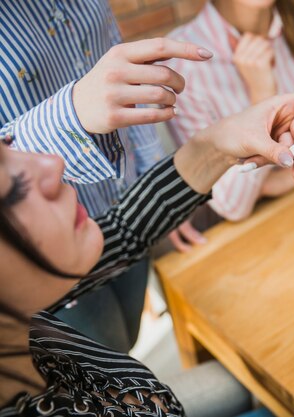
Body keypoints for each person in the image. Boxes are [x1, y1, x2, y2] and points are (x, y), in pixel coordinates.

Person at [0, 84, 294, 417]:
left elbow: (123, 229)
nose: (51, 162)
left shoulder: (20, 316)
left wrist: (216, 143)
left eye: (6, 144)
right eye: (11, 191)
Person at [0, 1, 205, 351]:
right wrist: (69, 115)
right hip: (44, 255)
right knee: (105, 361)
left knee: (128, 342)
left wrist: (157, 179)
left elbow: (125, 84)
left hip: (125, 199)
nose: (53, 165)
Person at [164, 0, 294, 251]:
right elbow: (232, 206)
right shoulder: (183, 64)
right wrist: (262, 98)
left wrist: (269, 186)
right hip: (255, 241)